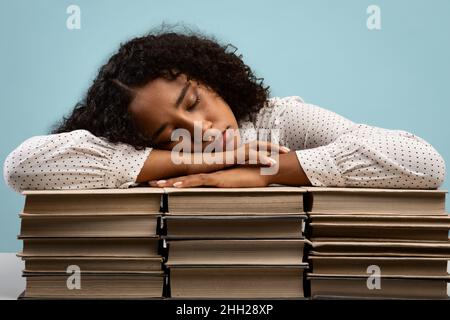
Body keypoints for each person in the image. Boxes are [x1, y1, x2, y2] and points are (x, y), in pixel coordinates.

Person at [3, 30, 446, 193]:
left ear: (210, 78)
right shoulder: (144, 154)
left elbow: (424, 163)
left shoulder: (279, 119)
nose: (200, 128)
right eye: (167, 132)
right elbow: (23, 167)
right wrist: (207, 159)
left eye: (193, 103)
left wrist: (262, 172)